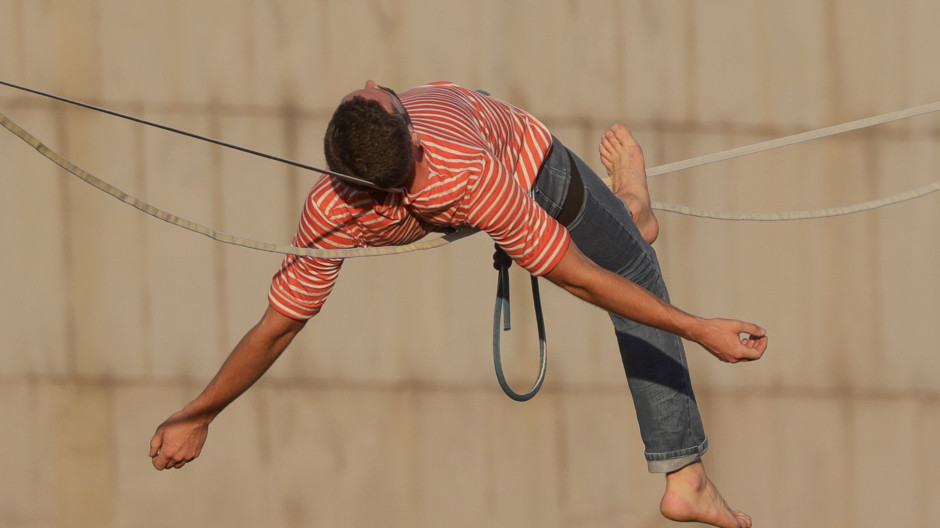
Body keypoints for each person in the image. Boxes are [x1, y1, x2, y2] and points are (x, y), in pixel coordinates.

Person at [150, 80, 768, 528]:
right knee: (632, 265)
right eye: (382, 95)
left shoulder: (331, 210)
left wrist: (196, 416)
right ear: (410, 145)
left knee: (622, 243)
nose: (371, 82)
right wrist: (698, 327)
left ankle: (633, 206)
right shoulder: (460, 170)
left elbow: (275, 329)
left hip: (492, 175)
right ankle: (686, 478)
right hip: (528, 163)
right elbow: (579, 278)